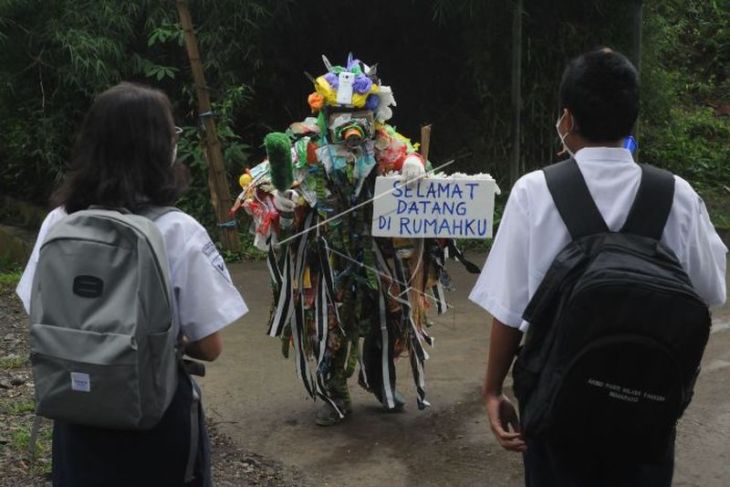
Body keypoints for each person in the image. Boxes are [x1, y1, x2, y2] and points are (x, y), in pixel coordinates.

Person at [469, 48, 727, 485]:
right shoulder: (678, 195)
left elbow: (510, 311)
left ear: (567, 119)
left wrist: (493, 390)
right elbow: (709, 293)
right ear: (633, 119)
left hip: (557, 409)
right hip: (648, 409)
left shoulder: (535, 192)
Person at [15, 82, 248, 486]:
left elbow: (37, 308)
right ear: (159, 147)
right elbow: (210, 347)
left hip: (77, 411)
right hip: (152, 418)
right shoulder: (177, 230)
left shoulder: (59, 222)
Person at [230, 54, 458, 426]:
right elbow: (260, 183)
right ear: (325, 114)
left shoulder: (383, 142)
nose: (351, 127)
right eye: (339, 114)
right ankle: (334, 394)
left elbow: (410, 159)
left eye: (360, 116)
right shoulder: (305, 147)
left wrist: (415, 164)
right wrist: (278, 198)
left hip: (377, 252)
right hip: (326, 255)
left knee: (389, 316)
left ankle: (380, 380)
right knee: (331, 325)